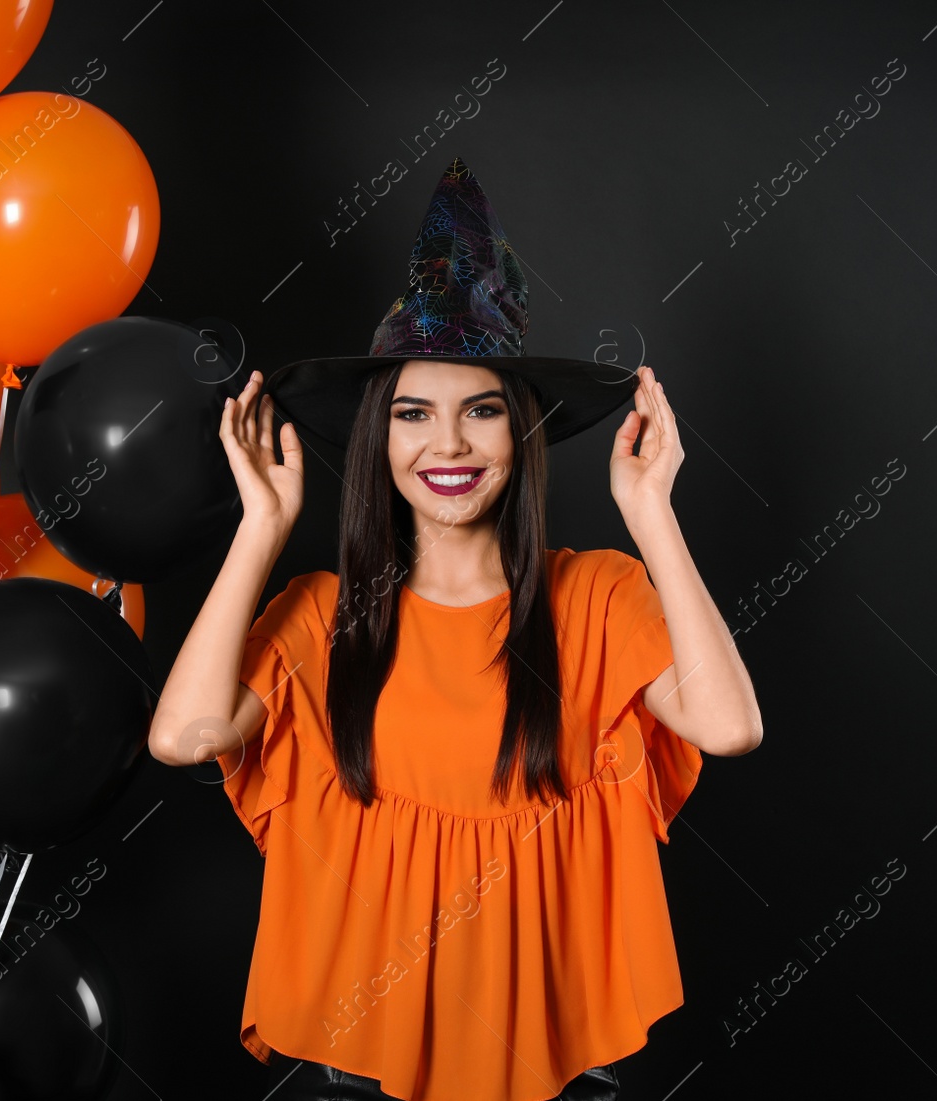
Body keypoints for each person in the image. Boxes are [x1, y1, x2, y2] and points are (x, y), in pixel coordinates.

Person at [148, 158, 763, 1101]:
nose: (448, 446)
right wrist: (261, 527)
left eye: (480, 411)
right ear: (379, 440)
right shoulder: (325, 617)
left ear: (520, 434)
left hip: (554, 1075)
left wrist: (652, 512)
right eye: (413, 414)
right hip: (355, 1072)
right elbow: (181, 734)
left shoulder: (595, 598)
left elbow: (729, 727)